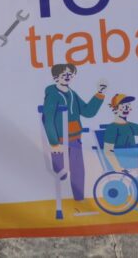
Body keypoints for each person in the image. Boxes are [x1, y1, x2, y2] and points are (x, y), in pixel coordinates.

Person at [41, 63, 107, 203]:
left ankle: (79, 200)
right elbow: (48, 119)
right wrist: (54, 143)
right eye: (64, 75)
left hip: (75, 139)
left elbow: (88, 111)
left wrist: (99, 94)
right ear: (56, 77)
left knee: (78, 170)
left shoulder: (72, 93)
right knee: (61, 173)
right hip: (59, 141)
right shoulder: (53, 95)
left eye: (70, 75)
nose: (68, 77)